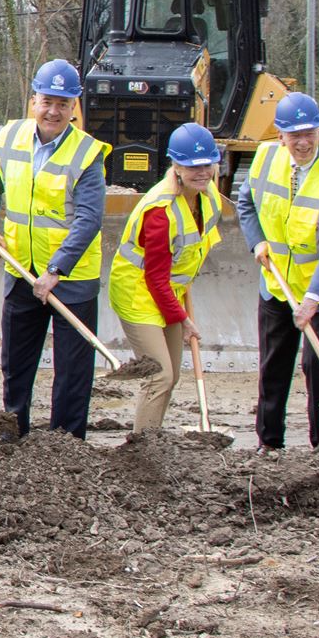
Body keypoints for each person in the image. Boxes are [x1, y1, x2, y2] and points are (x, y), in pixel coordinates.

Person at [0, 59, 110, 440]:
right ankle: (11, 432)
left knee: (73, 368)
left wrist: (57, 270)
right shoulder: (11, 138)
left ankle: (66, 442)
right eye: (47, 101)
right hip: (21, 270)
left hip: (71, 279)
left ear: (74, 108)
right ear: (33, 100)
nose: (54, 111)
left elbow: (88, 219)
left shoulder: (86, 154)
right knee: (16, 361)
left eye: (63, 104)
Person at [233, 91, 319, 452]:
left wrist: (313, 298)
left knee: (317, 364)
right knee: (273, 365)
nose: (303, 142)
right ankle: (269, 443)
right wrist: (256, 242)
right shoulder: (265, 158)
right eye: (295, 135)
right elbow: (246, 203)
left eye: (310, 133)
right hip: (277, 283)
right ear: (280, 135)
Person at [107, 123, 225, 433]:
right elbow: (155, 277)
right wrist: (184, 320)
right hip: (138, 293)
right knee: (159, 374)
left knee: (171, 375)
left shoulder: (207, 195)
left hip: (169, 291)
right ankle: (142, 448)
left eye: (206, 165)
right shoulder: (159, 212)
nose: (200, 172)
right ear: (175, 166)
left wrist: (182, 293)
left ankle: (153, 438)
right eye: (190, 166)